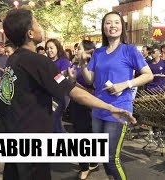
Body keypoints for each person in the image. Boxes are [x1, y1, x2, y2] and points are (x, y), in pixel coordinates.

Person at [0, 8, 136, 180]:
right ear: (30, 33)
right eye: (37, 23)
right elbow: (73, 92)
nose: (41, 27)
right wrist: (110, 107)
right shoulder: (38, 61)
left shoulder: (14, 59)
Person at [80, 11, 153, 180]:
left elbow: (148, 75)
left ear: (122, 27)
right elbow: (91, 80)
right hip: (98, 109)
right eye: (108, 23)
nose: (112, 26)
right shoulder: (98, 53)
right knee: (102, 155)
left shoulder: (129, 50)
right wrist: (83, 65)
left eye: (116, 22)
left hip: (119, 110)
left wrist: (125, 84)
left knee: (112, 158)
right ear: (103, 28)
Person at [68, 40, 99, 179]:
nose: (76, 50)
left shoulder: (93, 66)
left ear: (88, 51)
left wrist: (74, 82)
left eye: (79, 48)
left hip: (88, 106)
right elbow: (63, 79)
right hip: (75, 104)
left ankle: (85, 167)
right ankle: (89, 163)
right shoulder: (74, 64)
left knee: (86, 136)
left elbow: (92, 91)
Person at [45, 38, 71, 133]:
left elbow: (62, 78)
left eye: (51, 48)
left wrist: (51, 80)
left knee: (55, 119)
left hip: (61, 96)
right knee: (52, 121)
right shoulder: (45, 62)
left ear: (57, 48)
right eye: (47, 49)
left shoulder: (64, 61)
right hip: (48, 95)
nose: (49, 51)